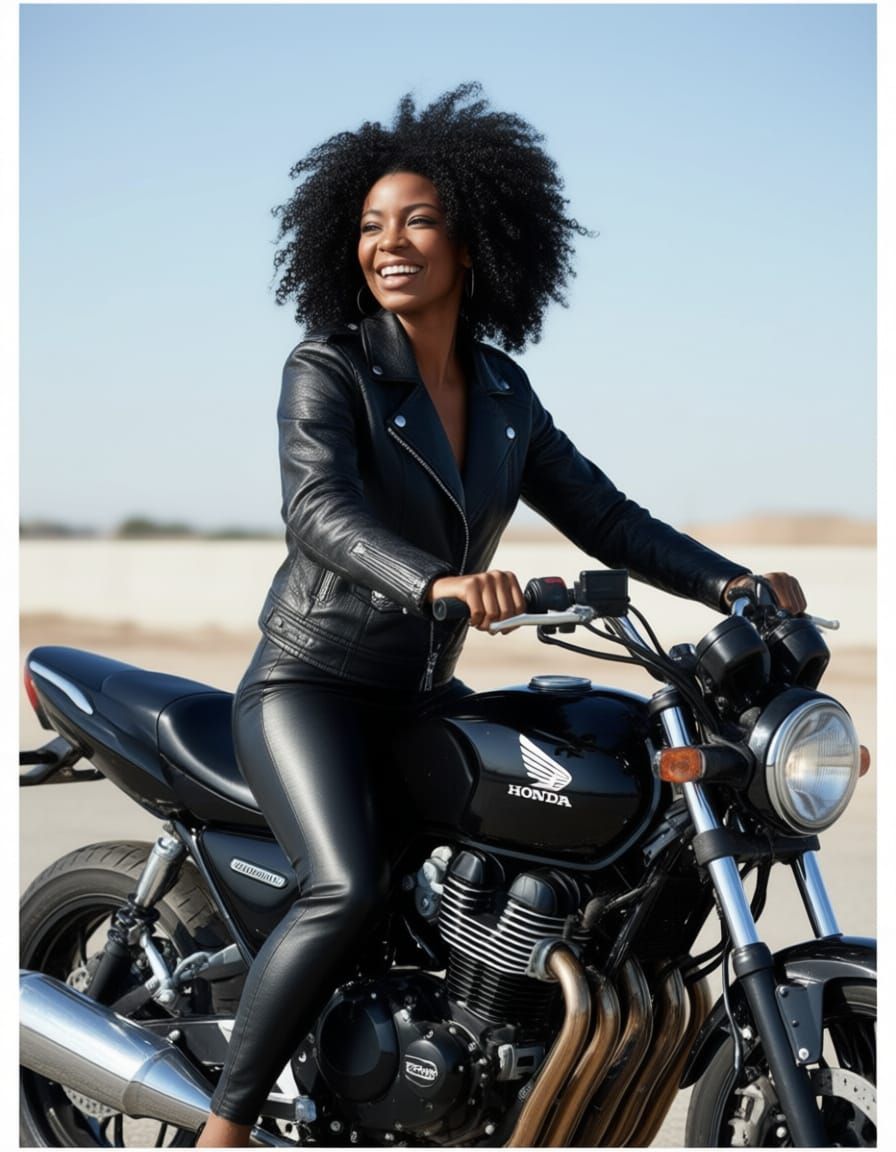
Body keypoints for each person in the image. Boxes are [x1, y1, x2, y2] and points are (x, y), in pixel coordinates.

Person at [198, 83, 806, 1147]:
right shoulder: (328, 368)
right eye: (370, 224)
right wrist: (433, 582)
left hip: (416, 691)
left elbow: (607, 518)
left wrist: (726, 583)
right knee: (342, 888)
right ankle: (228, 1125)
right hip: (313, 685)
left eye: (416, 220)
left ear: (471, 244)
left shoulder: (504, 394)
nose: (388, 242)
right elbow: (316, 510)